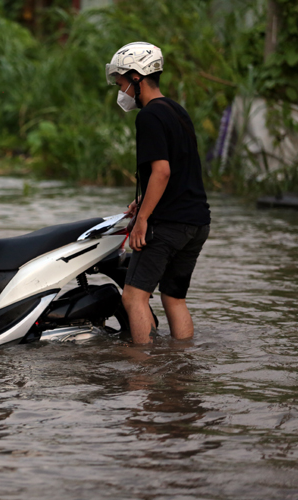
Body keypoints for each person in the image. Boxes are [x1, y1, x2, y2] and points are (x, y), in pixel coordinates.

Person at [105, 42, 211, 344]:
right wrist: (142, 200)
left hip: (169, 225)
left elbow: (162, 171)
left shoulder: (149, 116)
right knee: (174, 297)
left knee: (133, 297)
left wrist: (142, 221)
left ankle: (144, 371)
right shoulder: (177, 111)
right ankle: (180, 366)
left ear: (137, 79)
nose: (120, 89)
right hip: (197, 222)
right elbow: (180, 170)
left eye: (121, 82)